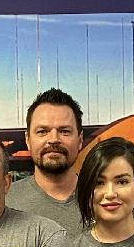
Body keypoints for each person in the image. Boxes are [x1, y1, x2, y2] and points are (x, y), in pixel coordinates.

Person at [6, 87, 87, 232]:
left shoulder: (105, 199)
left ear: (80, 140)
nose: (54, 140)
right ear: (28, 140)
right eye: (42, 131)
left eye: (64, 131)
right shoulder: (3, 201)